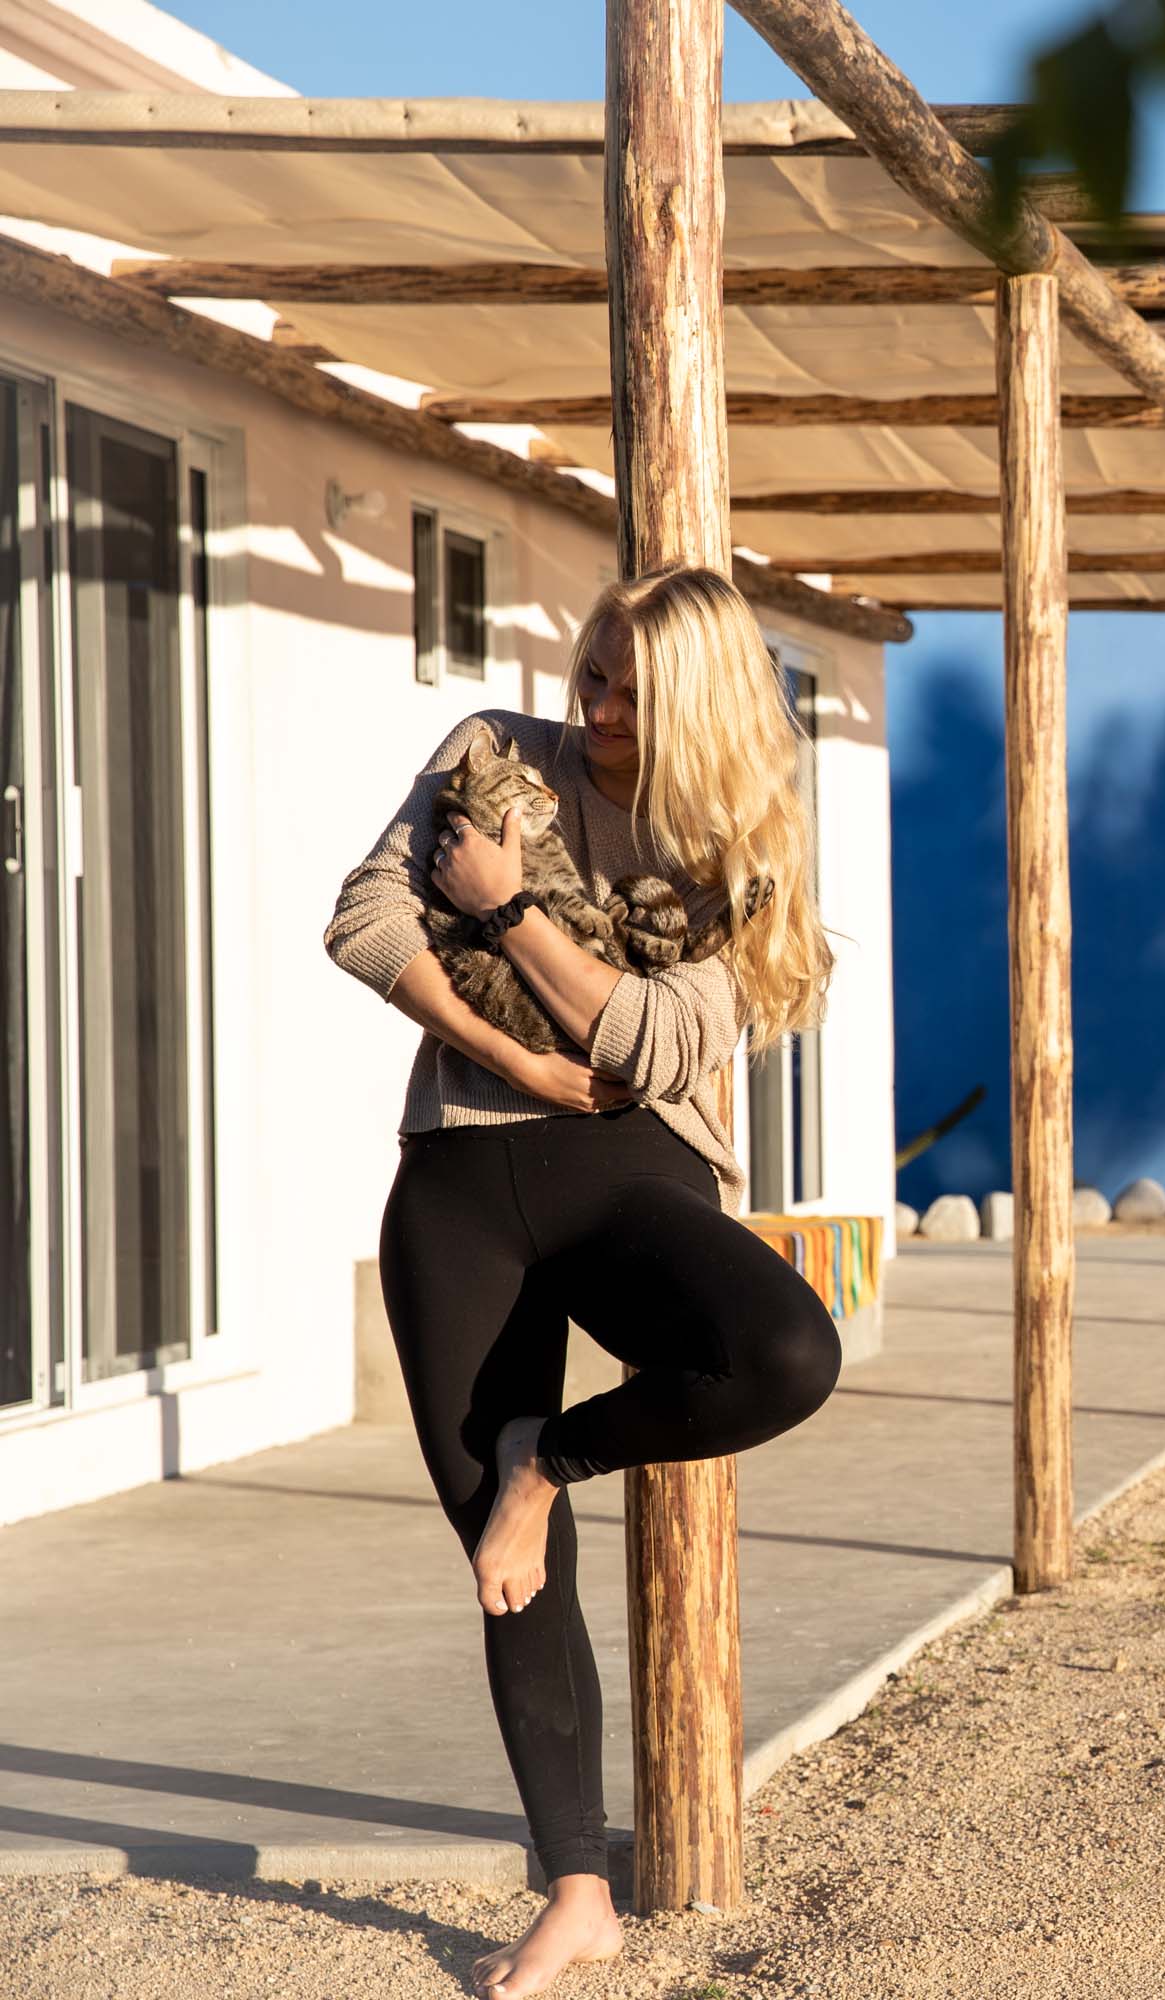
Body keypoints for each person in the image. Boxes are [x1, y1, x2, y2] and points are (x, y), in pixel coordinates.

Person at [322, 565, 844, 2000]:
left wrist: (497, 908)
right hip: (458, 1185)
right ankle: (577, 1891)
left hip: (630, 1180)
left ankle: (542, 1459)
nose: (596, 709)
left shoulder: (745, 859)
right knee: (506, 1581)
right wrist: (515, 1057)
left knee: (786, 1356)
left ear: (702, 703)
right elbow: (364, 922)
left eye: (630, 690)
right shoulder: (493, 753)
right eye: (592, 674)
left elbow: (658, 1044)